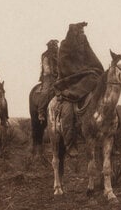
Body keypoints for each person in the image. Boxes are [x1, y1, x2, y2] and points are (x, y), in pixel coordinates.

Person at [53, 22, 104, 155]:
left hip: (86, 77)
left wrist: (98, 70)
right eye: (80, 32)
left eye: (83, 33)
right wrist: (81, 71)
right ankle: (70, 144)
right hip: (69, 80)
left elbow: (93, 59)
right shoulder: (64, 45)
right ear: (74, 33)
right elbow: (64, 66)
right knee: (67, 111)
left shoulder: (84, 43)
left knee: (103, 95)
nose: (83, 35)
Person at [36, 39, 60, 122]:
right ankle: (41, 112)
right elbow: (46, 69)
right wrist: (55, 73)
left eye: (56, 46)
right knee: (45, 92)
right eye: (54, 46)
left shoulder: (59, 56)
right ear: (50, 47)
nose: (56, 47)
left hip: (58, 77)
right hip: (48, 77)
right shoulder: (45, 56)